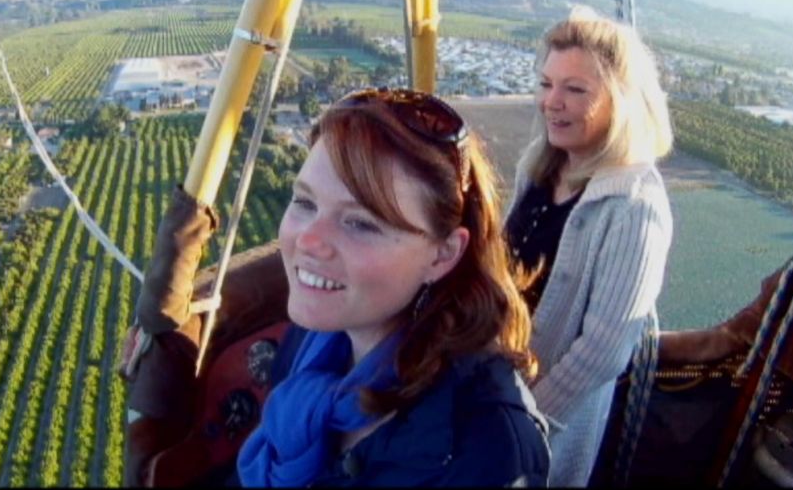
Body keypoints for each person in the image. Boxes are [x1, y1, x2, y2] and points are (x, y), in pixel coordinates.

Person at [125, 87, 551, 487]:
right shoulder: (317, 338)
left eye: (361, 223)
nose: (308, 241)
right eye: (305, 202)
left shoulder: (490, 451)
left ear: (442, 255)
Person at [503, 6, 674, 486]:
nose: (550, 102)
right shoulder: (539, 167)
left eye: (574, 89)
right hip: (490, 382)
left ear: (621, 103)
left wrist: (527, 418)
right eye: (546, 84)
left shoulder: (634, 205)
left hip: (540, 424)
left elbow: (604, 348)